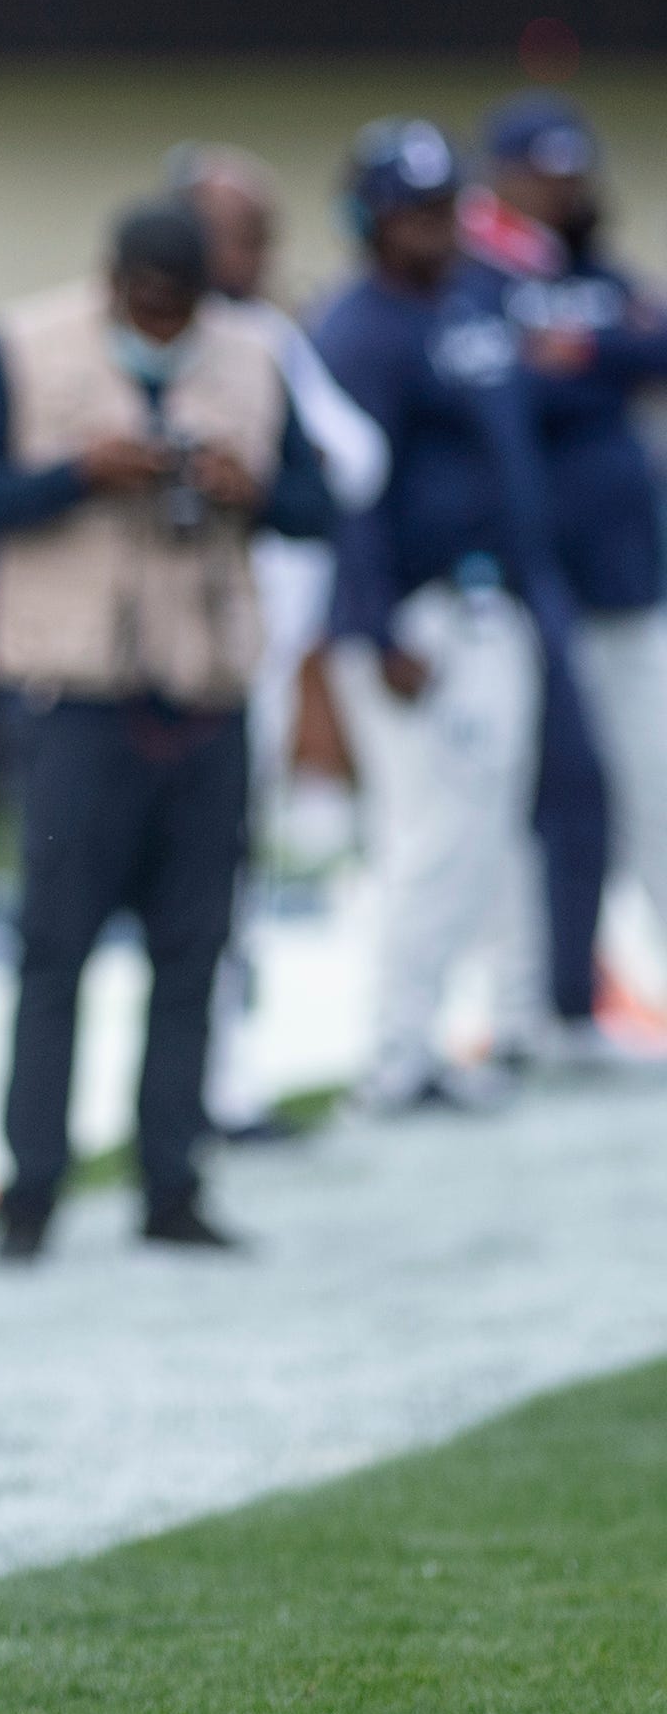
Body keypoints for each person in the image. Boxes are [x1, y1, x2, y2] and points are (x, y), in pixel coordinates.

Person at [0, 197, 335, 1260]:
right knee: (54, 950)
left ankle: (173, 1185)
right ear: (114, 281)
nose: (162, 326)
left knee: (194, 947)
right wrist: (80, 473)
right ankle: (31, 1198)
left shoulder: (253, 356)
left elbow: (323, 501)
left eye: (181, 309)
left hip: (204, 690)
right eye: (147, 305)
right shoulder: (21, 344)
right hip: (75, 697)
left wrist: (254, 489)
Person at [313, 120, 566, 1115]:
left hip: (492, 598)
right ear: (370, 220)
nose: (432, 229)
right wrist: (378, 632)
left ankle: (506, 1022)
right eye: (410, 213)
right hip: (418, 620)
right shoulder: (357, 329)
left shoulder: (472, 298)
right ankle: (397, 1051)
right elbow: (350, 495)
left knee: (496, 828)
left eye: (441, 208)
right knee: (431, 839)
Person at [167, 144, 392, 1140]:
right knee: (194, 865)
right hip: (187, 639)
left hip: (263, 639)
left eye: (262, 232)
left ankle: (225, 1075)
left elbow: (355, 461)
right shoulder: (185, 334)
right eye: (235, 231)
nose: (256, 251)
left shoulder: (264, 334)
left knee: (235, 864)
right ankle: (200, 1085)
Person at [463, 93, 667, 1071]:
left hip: (631, 577)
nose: (566, 187)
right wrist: (598, 361)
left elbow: (650, 344)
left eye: (573, 168)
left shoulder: (598, 272)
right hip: (531, 584)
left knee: (653, 789)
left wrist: (582, 353)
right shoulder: (475, 277)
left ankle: (585, 1003)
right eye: (546, 170)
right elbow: (508, 383)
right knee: (554, 800)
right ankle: (547, 1008)